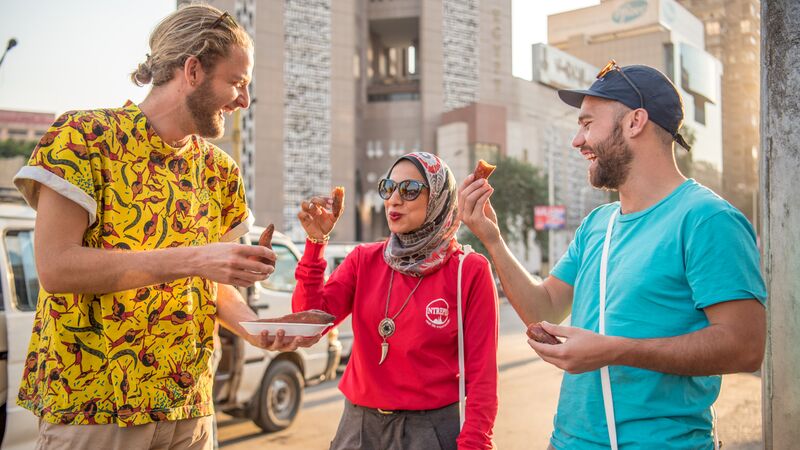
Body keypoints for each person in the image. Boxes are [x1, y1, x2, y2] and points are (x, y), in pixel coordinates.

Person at [12, 5, 317, 449]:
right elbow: (57, 268)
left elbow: (213, 284)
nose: (244, 101)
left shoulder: (219, 170)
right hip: (93, 408)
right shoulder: (81, 138)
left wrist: (256, 327)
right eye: (237, 83)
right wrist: (197, 258)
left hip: (190, 410)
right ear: (192, 71)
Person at [459, 61, 767, 449]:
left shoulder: (707, 219)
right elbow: (546, 309)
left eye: (587, 124)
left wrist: (614, 350)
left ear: (635, 121)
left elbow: (746, 346)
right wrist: (493, 239)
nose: (577, 140)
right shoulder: (596, 225)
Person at [293, 152, 499, 449]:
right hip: (359, 428)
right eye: (388, 188)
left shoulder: (469, 270)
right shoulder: (363, 260)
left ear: (439, 198)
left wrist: (475, 444)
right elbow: (307, 323)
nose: (394, 199)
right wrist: (315, 244)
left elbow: (483, 380)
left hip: (431, 431)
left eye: (410, 190)